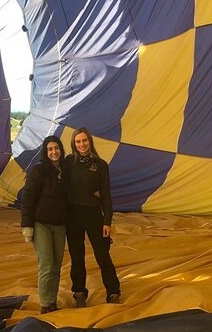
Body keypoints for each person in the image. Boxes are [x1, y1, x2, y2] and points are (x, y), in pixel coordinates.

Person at [64, 127, 121, 307]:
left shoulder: (101, 165)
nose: (82, 144)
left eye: (84, 141)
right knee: (77, 256)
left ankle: (113, 291)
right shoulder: (68, 162)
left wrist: (107, 221)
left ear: (90, 142)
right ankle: (79, 292)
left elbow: (106, 195)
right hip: (72, 215)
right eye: (78, 141)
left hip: (93, 214)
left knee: (102, 255)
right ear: (74, 143)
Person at [21, 136, 69, 314]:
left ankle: (52, 301)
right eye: (50, 149)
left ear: (61, 150)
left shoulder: (67, 170)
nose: (54, 152)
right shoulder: (39, 171)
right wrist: (26, 225)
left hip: (60, 225)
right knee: (46, 264)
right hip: (41, 224)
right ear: (45, 152)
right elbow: (28, 198)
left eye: (56, 148)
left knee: (57, 265)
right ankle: (45, 304)